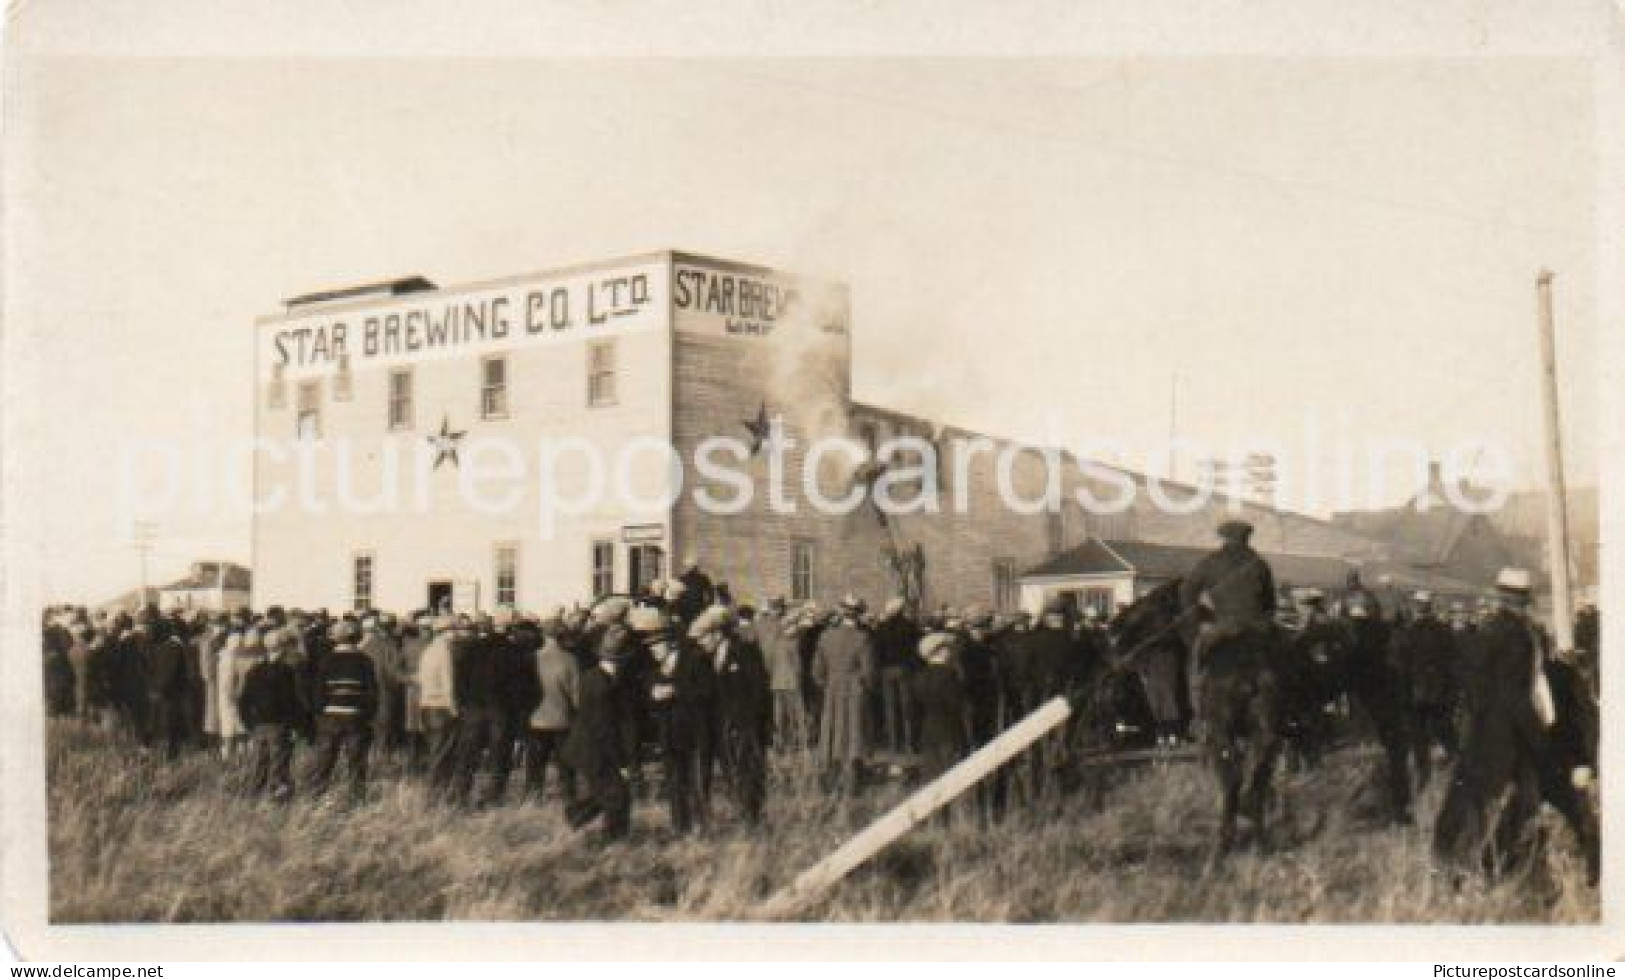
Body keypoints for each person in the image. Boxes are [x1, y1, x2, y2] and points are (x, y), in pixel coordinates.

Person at [1178, 519, 1277, 703]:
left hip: (1223, 627)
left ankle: (1199, 715)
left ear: (1224, 538)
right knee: (1284, 657)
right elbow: (1271, 601)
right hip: (1259, 629)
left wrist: (1196, 623)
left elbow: (1186, 590)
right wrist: (1265, 621)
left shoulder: (1210, 562)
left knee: (1196, 660)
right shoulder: (1260, 564)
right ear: (1247, 538)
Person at [636, 606, 715, 834]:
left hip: (693, 734)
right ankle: (680, 827)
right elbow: (648, 695)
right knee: (674, 783)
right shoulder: (656, 668)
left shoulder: (695, 660)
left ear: (670, 642)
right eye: (650, 646)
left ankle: (701, 828)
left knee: (696, 784)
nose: (652, 650)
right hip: (668, 734)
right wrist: (652, 693)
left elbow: (707, 691)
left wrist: (675, 690)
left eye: (656, 645)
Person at [563, 623, 641, 842]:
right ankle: (613, 841)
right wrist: (622, 764)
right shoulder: (602, 687)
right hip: (593, 750)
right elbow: (604, 729)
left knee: (608, 794)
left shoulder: (593, 678)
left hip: (588, 748)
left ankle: (576, 817)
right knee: (617, 796)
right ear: (620, 661)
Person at [695, 605, 770, 825]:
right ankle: (741, 812)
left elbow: (758, 690)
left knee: (748, 772)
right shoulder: (707, 658)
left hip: (745, 724)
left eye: (704, 637)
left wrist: (751, 724)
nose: (701, 642)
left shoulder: (745, 652)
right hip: (722, 726)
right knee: (732, 772)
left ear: (718, 633)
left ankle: (751, 817)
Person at [309, 619, 379, 803]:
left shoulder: (326, 660)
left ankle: (317, 797)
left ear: (336, 639)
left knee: (324, 760)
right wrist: (368, 714)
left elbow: (317, 691)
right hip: (356, 717)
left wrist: (320, 711)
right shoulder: (365, 661)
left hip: (330, 715)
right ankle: (357, 799)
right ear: (357, 638)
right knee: (356, 761)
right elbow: (372, 693)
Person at [812, 595, 877, 792]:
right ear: (858, 615)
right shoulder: (862, 638)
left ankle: (831, 778)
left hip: (832, 688)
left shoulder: (825, 636)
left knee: (832, 731)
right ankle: (852, 779)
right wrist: (865, 686)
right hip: (854, 689)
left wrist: (827, 684)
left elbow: (816, 671)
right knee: (853, 731)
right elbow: (869, 671)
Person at [238, 629, 305, 801]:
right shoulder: (286, 671)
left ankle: (253, 797)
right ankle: (277, 800)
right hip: (279, 724)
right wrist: (295, 724)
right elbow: (291, 701)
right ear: (282, 648)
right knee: (279, 764)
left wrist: (248, 722)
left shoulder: (255, 670)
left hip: (258, 724)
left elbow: (244, 699)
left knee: (259, 763)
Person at [525, 610, 580, 804]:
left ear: (543, 634)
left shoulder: (532, 658)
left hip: (536, 718)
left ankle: (532, 799)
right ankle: (569, 798)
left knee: (534, 765)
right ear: (562, 635)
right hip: (562, 719)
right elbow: (576, 696)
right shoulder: (570, 659)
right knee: (565, 764)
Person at [910, 630, 968, 783]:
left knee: (931, 775)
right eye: (947, 648)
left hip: (928, 731)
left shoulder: (919, 677)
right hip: (950, 729)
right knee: (952, 774)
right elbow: (956, 703)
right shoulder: (950, 676)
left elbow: (914, 709)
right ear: (941, 651)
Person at [415, 615, 461, 788]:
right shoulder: (445, 653)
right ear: (445, 632)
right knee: (443, 755)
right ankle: (435, 794)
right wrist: (454, 710)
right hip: (441, 708)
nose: (456, 634)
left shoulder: (429, 651)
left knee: (435, 752)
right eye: (453, 630)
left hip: (426, 706)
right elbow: (448, 684)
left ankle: (432, 792)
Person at [872, 597, 920, 757]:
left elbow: (876, 651)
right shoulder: (910, 627)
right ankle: (910, 744)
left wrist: (879, 669)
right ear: (901, 610)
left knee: (890, 709)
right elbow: (917, 651)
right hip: (905, 669)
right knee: (907, 708)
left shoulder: (881, 628)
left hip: (887, 671)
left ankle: (894, 745)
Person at [758, 597, 807, 752]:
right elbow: (798, 665)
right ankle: (795, 742)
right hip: (791, 681)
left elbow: (768, 660)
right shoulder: (793, 642)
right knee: (794, 714)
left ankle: (779, 741)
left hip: (774, 680)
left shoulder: (763, 627)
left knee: (778, 713)